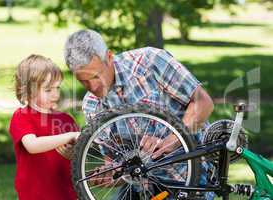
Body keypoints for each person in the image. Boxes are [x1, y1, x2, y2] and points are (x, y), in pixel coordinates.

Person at [64, 29, 215, 199]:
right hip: (144, 186)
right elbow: (115, 162)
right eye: (83, 81)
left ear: (110, 57)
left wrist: (170, 141)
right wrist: (112, 174)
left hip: (190, 173)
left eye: (96, 76)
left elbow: (203, 103)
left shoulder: (150, 62)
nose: (92, 87)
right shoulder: (91, 106)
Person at [9, 54, 80, 200]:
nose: (55, 94)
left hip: (66, 194)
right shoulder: (22, 116)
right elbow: (32, 145)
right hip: (35, 194)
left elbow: (81, 157)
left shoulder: (65, 120)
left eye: (57, 87)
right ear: (27, 90)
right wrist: (70, 136)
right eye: (48, 90)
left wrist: (73, 154)